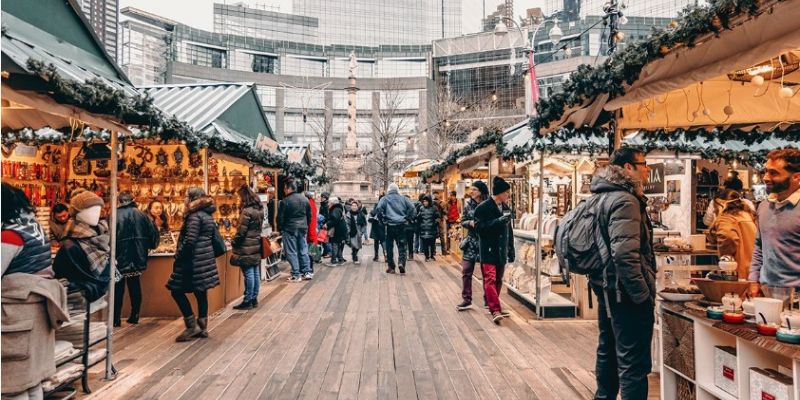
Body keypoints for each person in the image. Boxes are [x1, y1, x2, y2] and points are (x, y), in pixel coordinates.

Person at [585, 147, 656, 400]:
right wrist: (641, 294)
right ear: (628, 168)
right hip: (623, 290)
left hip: (606, 286)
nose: (648, 168)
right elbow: (624, 254)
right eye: (643, 163)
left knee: (609, 349)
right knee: (633, 363)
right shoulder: (626, 200)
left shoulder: (601, 196)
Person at [1, 183, 69, 400]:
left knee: (13, 382)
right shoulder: (34, 226)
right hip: (36, 308)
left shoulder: (9, 235)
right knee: (32, 380)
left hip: (16, 314)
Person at [167, 188, 221, 342]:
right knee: (201, 292)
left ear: (192, 199)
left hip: (192, 261)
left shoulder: (194, 217)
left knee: (175, 290)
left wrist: (179, 255)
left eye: (186, 197)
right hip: (204, 260)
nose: (184, 199)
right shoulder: (207, 215)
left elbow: (190, 241)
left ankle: (192, 326)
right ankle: (202, 326)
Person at [749, 148, 800, 291]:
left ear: (796, 177)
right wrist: (753, 279)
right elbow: (760, 245)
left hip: (796, 295)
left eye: (774, 173)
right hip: (766, 290)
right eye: (765, 171)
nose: (765, 177)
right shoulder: (765, 206)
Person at [53, 189, 112, 303]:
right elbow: (61, 273)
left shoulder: (101, 234)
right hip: (81, 299)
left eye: (98, 209)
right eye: (91, 210)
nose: (96, 213)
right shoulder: (70, 244)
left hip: (97, 298)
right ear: (77, 213)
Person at [113, 191, 159, 326]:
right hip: (137, 255)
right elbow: (153, 237)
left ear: (120, 201)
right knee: (134, 284)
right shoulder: (142, 215)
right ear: (133, 200)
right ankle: (135, 315)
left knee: (118, 286)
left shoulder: (114, 215)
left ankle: (115, 319)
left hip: (119, 256)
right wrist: (147, 247)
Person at [474, 177, 515, 325]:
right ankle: (495, 309)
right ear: (499, 193)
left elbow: (508, 230)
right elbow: (479, 228)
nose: (508, 196)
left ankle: (494, 304)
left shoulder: (505, 208)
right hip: (488, 249)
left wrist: (510, 247)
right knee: (490, 279)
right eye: (506, 193)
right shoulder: (482, 208)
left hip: (501, 249)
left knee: (498, 279)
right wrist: (497, 222)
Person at [706, 189, 757, 279]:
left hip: (736, 271)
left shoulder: (726, 218)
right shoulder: (748, 215)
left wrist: (725, 259)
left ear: (720, 204)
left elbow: (728, 237)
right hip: (753, 269)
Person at [456, 181, 489, 311]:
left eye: (474, 189)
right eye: (471, 189)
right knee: (466, 271)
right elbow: (463, 220)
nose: (472, 191)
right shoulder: (468, 204)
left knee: (487, 273)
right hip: (470, 242)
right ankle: (466, 299)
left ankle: (488, 299)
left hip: (485, 242)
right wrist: (469, 222)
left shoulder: (488, 205)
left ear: (480, 191)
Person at [231, 185, 265, 310]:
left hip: (246, 246)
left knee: (249, 273)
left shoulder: (247, 211)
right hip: (255, 244)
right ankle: (254, 298)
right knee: (254, 272)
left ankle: (248, 300)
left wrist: (234, 242)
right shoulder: (259, 209)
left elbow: (241, 231)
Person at [375, 183, 416, 274]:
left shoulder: (384, 199)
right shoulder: (404, 198)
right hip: (401, 225)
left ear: (389, 190)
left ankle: (391, 267)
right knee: (402, 246)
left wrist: (383, 219)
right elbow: (412, 208)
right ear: (397, 190)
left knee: (389, 247)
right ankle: (401, 263)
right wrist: (408, 218)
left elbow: (378, 209)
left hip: (390, 226)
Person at [278, 178, 313, 281]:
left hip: (289, 228)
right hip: (302, 227)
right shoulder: (305, 199)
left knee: (291, 251)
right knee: (303, 249)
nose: (284, 190)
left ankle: (296, 274)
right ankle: (307, 271)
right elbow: (309, 215)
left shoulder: (285, 201)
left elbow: (280, 218)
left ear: (289, 189)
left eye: (285, 188)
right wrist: (306, 224)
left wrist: (281, 228)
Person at [417, 195, 440, 261]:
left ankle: (432, 256)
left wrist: (435, 223)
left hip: (432, 228)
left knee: (432, 243)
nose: (425, 203)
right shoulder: (421, 208)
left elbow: (438, 217)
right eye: (424, 201)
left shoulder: (434, 208)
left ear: (429, 202)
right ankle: (426, 256)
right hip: (423, 228)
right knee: (425, 244)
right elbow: (419, 217)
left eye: (426, 201)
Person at [326, 197, 348, 266]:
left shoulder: (335, 209)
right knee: (338, 244)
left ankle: (334, 261)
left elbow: (335, 219)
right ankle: (340, 260)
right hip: (340, 229)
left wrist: (327, 224)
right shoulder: (338, 208)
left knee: (335, 244)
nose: (328, 204)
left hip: (337, 230)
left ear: (332, 203)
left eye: (329, 202)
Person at [369, 196, 387, 262]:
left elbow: (372, 213)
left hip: (376, 225)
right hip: (383, 225)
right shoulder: (386, 206)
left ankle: (376, 256)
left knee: (376, 241)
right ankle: (386, 254)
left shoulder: (376, 205)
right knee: (383, 240)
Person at [305, 188, 319, 272]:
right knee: (310, 252)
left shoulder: (308, 204)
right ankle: (310, 268)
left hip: (309, 232)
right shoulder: (312, 203)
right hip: (312, 231)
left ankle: (309, 269)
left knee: (308, 252)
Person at [319, 192, 331, 258]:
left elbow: (327, 216)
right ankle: (325, 252)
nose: (321, 198)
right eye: (321, 197)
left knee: (325, 239)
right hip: (322, 223)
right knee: (322, 238)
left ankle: (329, 252)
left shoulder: (326, 206)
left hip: (325, 224)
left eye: (322, 197)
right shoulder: (322, 205)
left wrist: (325, 222)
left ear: (325, 198)